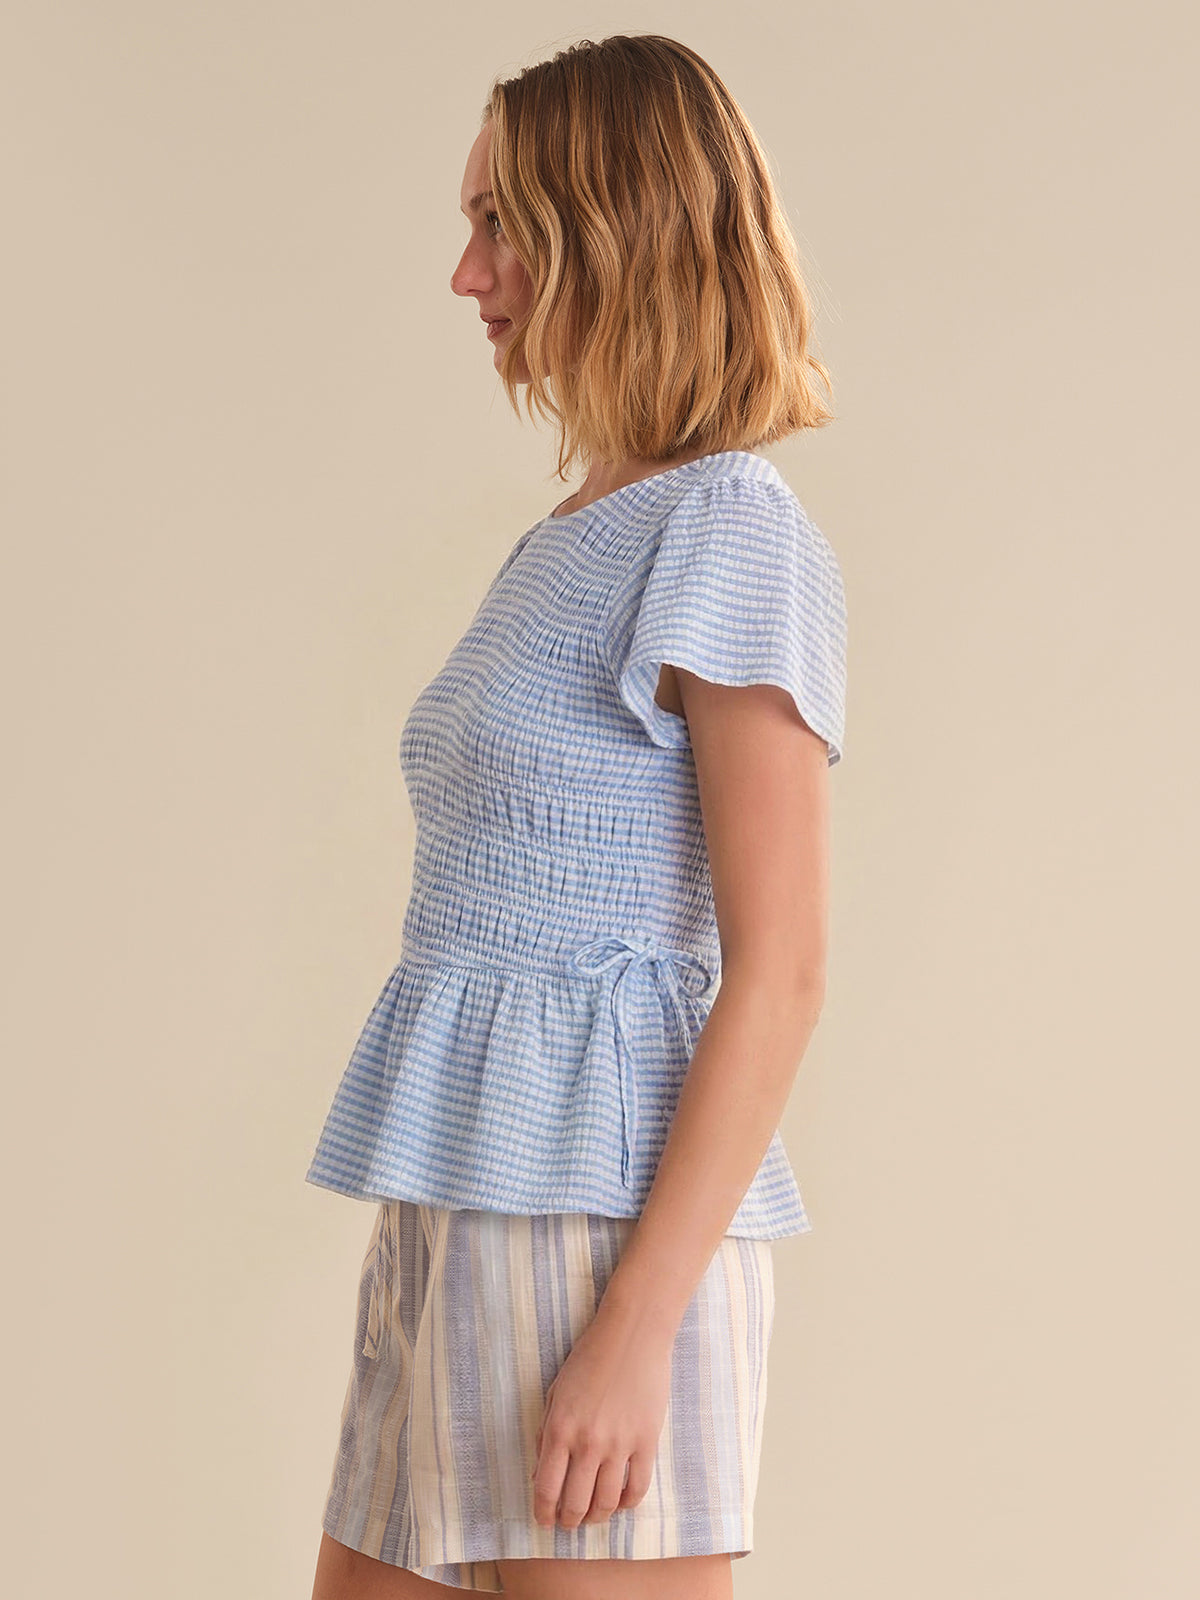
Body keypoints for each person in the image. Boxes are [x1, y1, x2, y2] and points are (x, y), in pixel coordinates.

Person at [308, 32, 847, 1600]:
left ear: (617, 234)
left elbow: (782, 971)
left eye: (504, 226)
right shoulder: (576, 530)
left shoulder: (730, 525)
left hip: (601, 1242)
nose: (466, 274)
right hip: (456, 1208)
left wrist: (633, 1331)